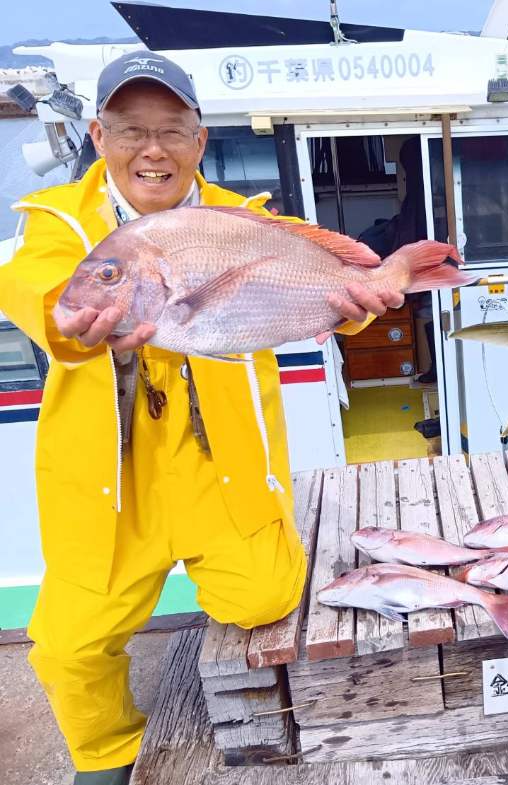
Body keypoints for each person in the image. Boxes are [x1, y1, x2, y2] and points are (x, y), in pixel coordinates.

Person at [0, 51, 402, 785]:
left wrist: (356, 307)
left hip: (220, 471)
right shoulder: (57, 222)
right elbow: (38, 288)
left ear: (199, 140)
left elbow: (307, 287)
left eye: (171, 131)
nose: (151, 150)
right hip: (111, 487)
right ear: (98, 136)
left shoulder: (242, 220)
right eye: (130, 130)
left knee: (266, 597)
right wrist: (72, 318)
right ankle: (106, 755)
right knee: (66, 645)